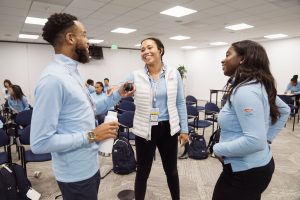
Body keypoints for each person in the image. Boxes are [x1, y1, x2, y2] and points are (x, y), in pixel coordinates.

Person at [30, 13, 134, 200]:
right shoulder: (52, 80)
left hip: (90, 165)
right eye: (84, 35)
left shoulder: (73, 73)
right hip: (74, 174)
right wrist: (93, 135)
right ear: (71, 38)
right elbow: (39, 143)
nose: (88, 41)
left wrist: (118, 94)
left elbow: (90, 110)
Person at [212, 40, 291, 200]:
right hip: (259, 164)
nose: (223, 59)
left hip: (245, 172)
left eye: (228, 54)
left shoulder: (245, 91)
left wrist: (218, 148)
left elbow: (255, 141)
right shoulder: (258, 84)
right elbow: (285, 110)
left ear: (242, 59)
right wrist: (267, 138)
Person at [125, 37, 188, 200]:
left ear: (160, 50)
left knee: (171, 171)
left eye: (149, 47)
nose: (145, 51)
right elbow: (119, 90)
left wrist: (185, 129)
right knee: (142, 172)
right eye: (142, 49)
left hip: (168, 128)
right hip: (144, 129)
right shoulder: (135, 75)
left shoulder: (174, 73)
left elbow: (180, 102)